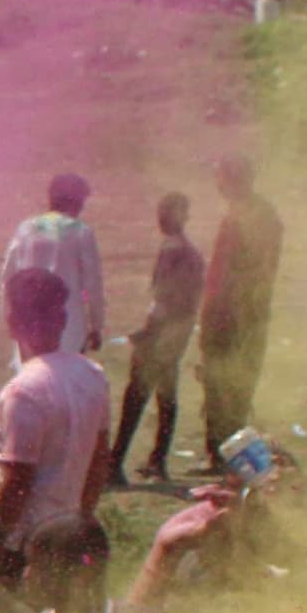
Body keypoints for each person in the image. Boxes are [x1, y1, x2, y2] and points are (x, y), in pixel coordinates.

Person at [0, 268, 112, 547]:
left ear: (12, 322)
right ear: (64, 320)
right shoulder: (92, 375)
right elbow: (100, 458)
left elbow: (17, 482)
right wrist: (83, 515)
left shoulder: (22, 393)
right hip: (68, 532)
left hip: (24, 541)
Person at [108, 192, 206, 485]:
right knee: (164, 394)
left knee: (138, 394)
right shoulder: (181, 250)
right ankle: (156, 461)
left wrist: (149, 332)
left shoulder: (177, 252)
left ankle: (118, 463)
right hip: (174, 331)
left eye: (167, 213)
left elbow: (170, 299)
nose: (161, 219)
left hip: (166, 331)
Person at [195, 154, 283, 455]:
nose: (217, 184)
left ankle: (222, 457)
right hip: (254, 316)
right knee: (240, 391)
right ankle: (230, 456)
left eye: (220, 177)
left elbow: (221, 278)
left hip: (228, 318)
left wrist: (207, 322)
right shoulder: (267, 215)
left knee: (220, 390)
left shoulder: (237, 220)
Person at [2, 175, 108, 357]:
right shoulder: (80, 232)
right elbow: (93, 285)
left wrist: (10, 317)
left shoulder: (26, 229)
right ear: (75, 201)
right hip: (67, 327)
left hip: (29, 327)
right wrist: (96, 326)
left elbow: (8, 279)